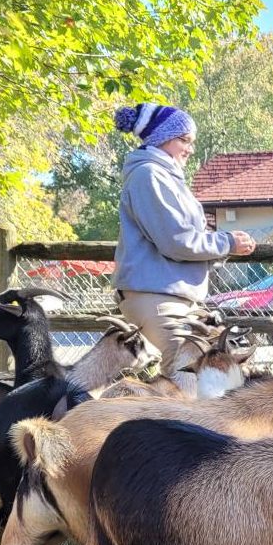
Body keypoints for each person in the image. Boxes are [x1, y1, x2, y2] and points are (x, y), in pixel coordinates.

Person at [112, 102, 255, 357]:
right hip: (156, 299)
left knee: (212, 369)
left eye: (192, 142)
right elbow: (177, 241)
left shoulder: (165, 176)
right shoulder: (149, 175)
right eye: (184, 140)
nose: (190, 149)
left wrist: (223, 247)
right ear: (162, 137)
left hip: (173, 299)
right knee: (185, 370)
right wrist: (226, 243)